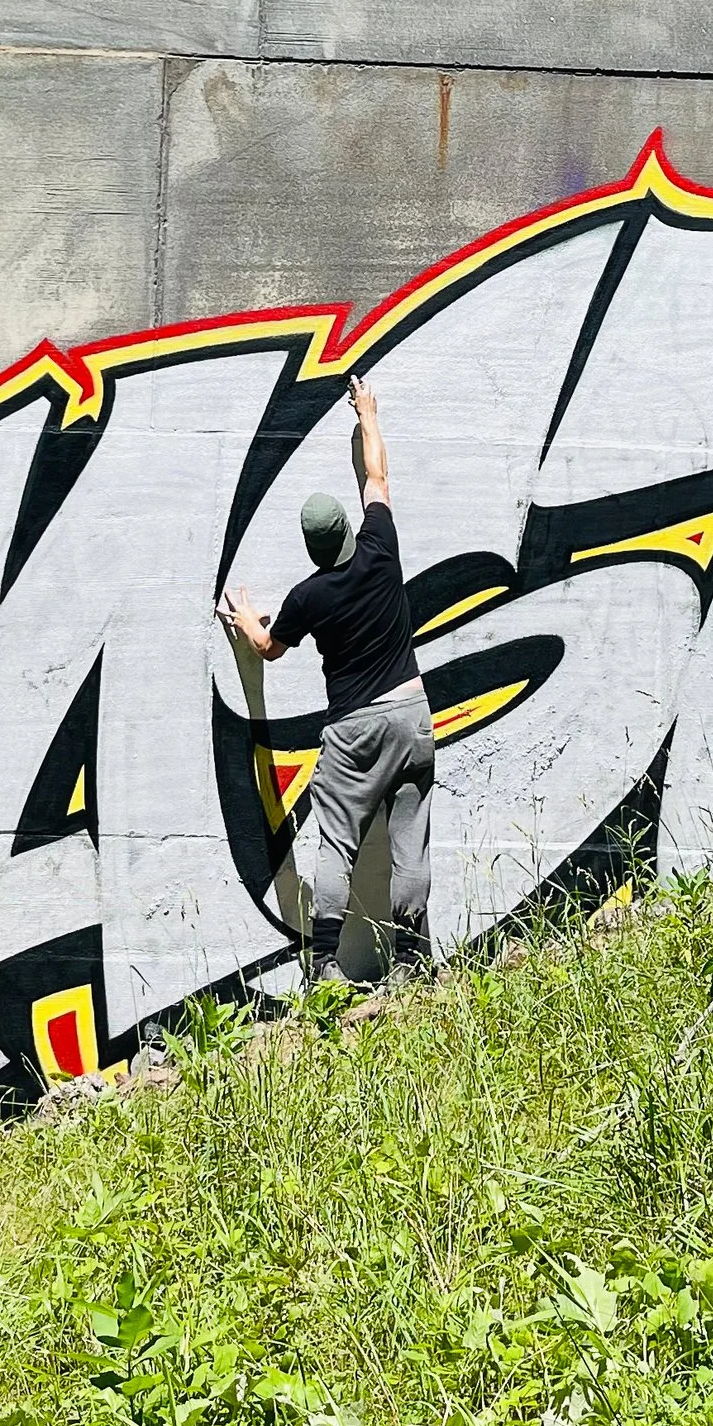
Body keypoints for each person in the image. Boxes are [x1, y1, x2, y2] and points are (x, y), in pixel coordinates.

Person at [220, 378, 434, 984]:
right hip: (414, 714)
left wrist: (245, 620)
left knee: (337, 842)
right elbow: (378, 480)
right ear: (348, 528)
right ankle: (415, 964)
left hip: (357, 729)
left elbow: (269, 649)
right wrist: (368, 415)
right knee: (409, 844)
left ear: (312, 548)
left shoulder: (307, 598)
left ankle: (324, 968)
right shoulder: (380, 544)